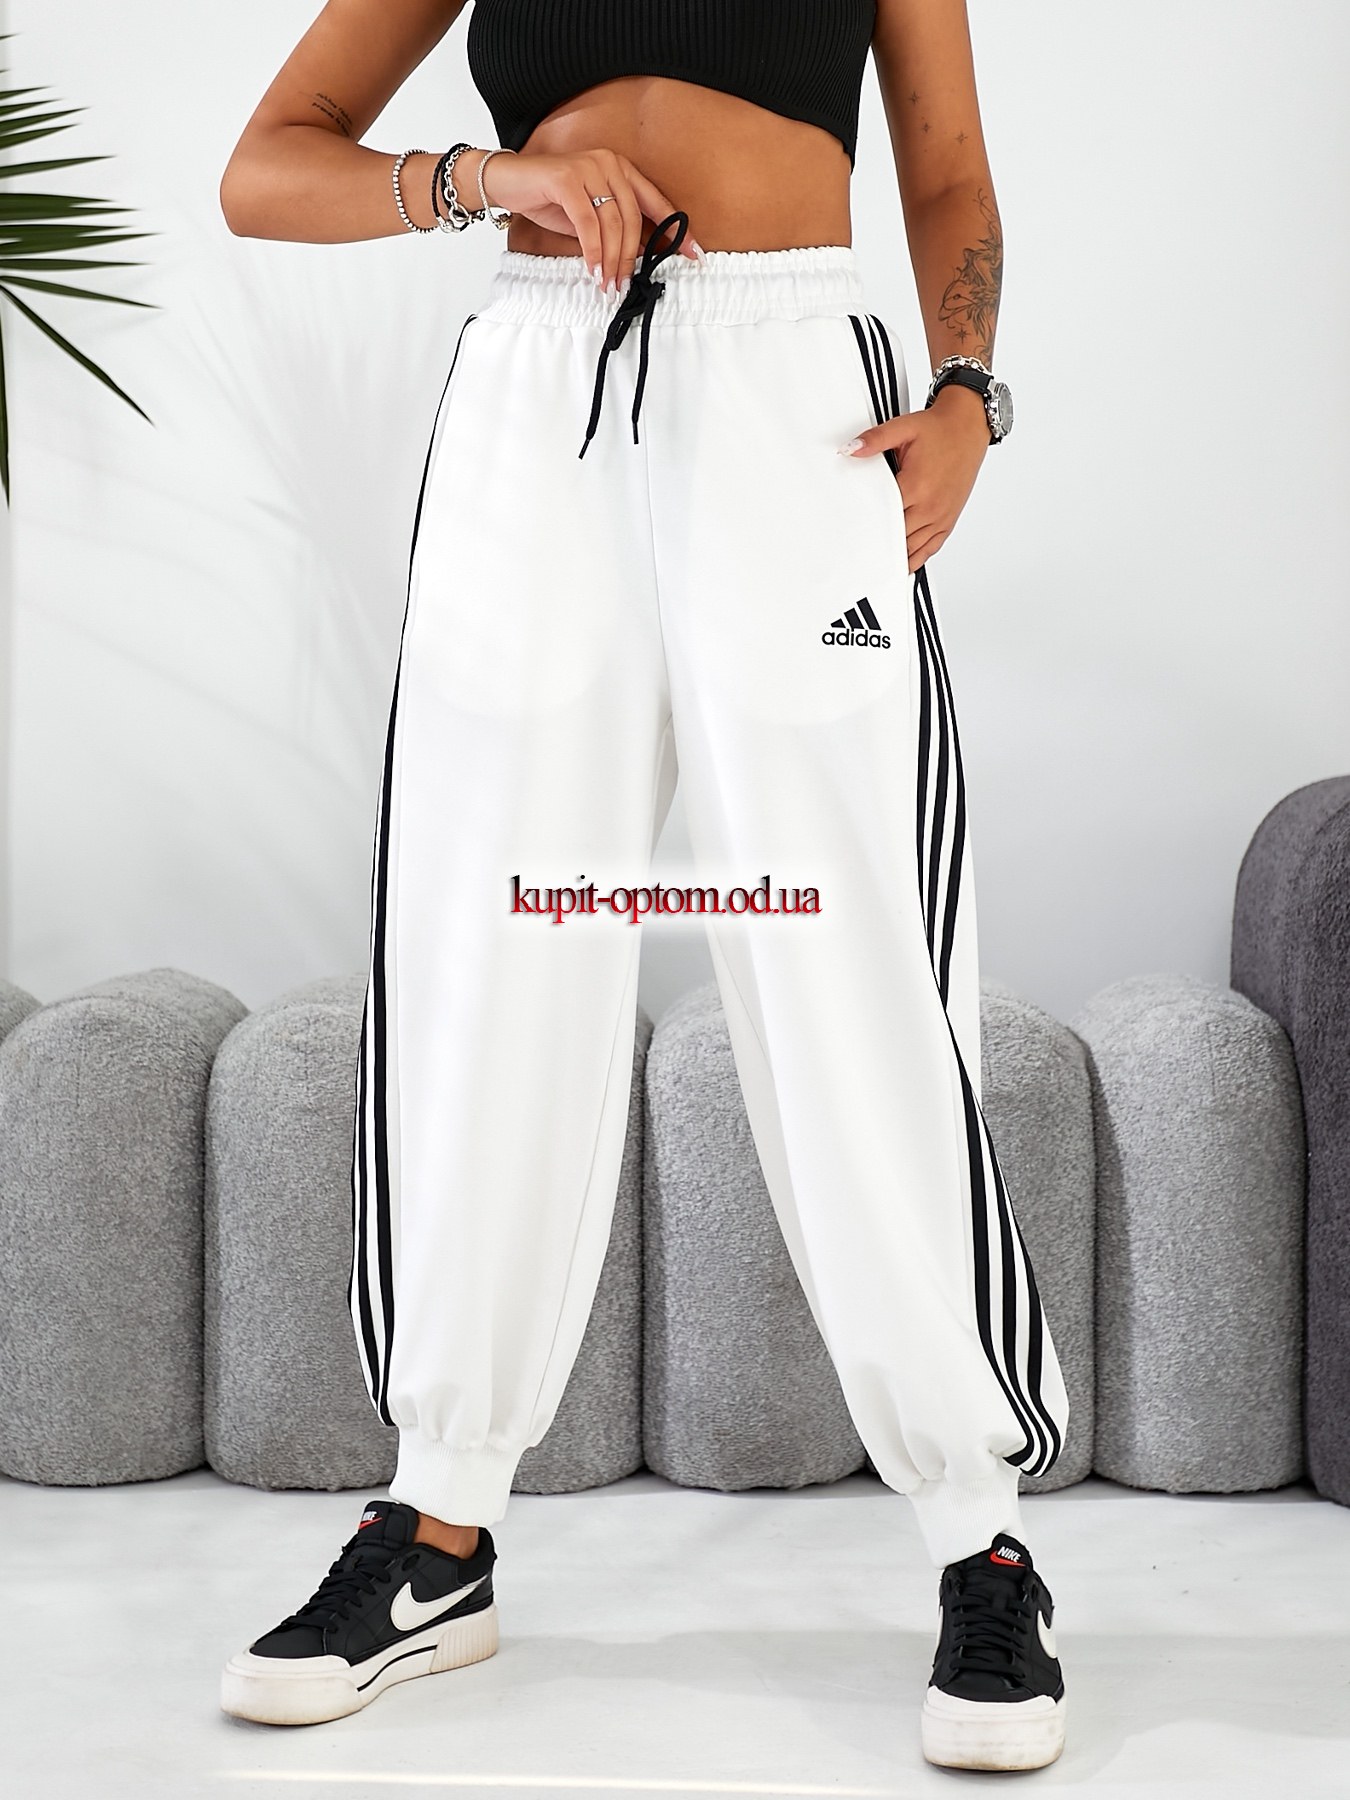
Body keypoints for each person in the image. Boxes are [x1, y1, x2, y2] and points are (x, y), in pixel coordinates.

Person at [215, 0, 1071, 1772]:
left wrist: (967, 394)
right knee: (484, 943)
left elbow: (947, 164)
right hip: (538, 393)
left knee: (854, 955)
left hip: (799, 401)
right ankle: (438, 1529)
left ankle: (979, 1539)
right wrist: (490, 179)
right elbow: (266, 170)